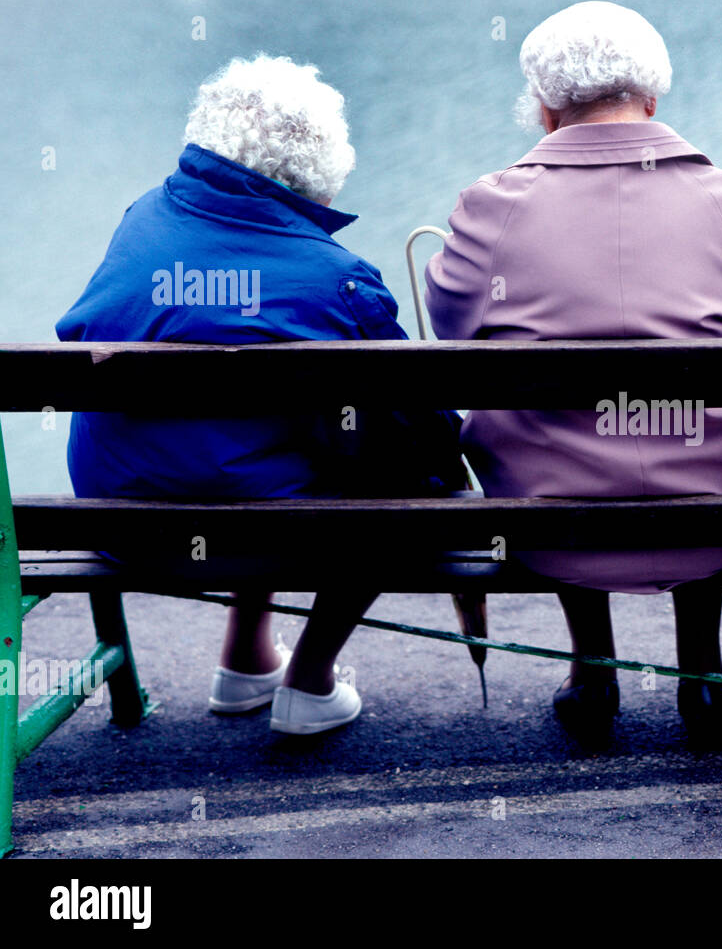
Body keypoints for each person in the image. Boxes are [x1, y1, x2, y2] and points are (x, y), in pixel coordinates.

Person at [56, 55, 472, 735]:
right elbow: (415, 425)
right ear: (316, 165)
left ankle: (246, 660)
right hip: (255, 532)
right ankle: (308, 684)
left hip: (120, 522)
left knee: (250, 439)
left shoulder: (141, 219)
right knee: (388, 479)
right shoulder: (333, 279)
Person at [425, 2, 722, 740]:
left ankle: (593, 668)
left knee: (546, 427)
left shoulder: (491, 206)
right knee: (717, 421)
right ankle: (702, 672)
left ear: (545, 107)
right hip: (718, 518)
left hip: (552, 520)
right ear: (652, 99)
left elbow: (453, 329)